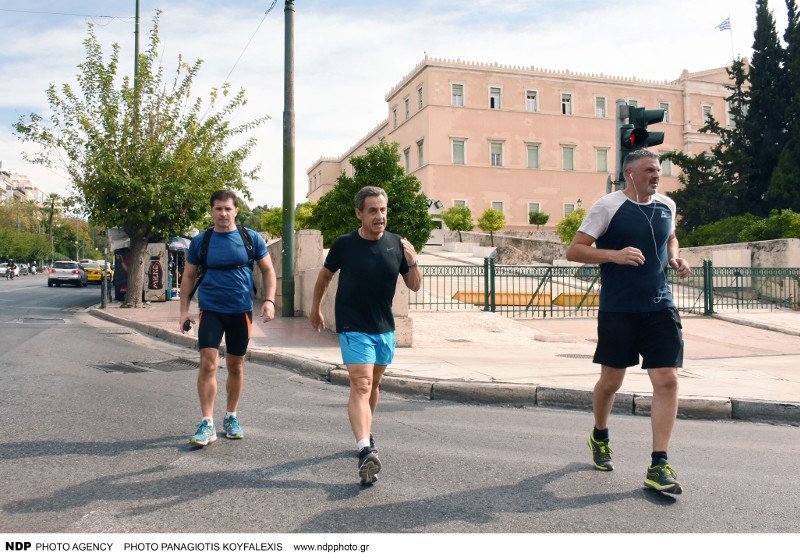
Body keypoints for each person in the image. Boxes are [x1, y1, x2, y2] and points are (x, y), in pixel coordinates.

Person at [566, 148, 691, 495]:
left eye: (658, 170)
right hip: (619, 309)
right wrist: (613, 255)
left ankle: (659, 463)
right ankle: (600, 435)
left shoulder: (667, 205)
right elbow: (574, 250)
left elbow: (670, 237)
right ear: (631, 173)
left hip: (660, 307)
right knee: (611, 381)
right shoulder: (607, 206)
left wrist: (675, 258)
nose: (656, 175)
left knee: (667, 380)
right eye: (650, 170)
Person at [310, 186, 422, 485]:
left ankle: (365, 433)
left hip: (383, 327)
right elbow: (324, 276)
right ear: (359, 213)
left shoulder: (397, 244)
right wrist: (315, 308)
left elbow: (414, 285)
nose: (379, 216)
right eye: (372, 210)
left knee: (375, 385)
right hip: (353, 324)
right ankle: (364, 450)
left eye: (383, 210)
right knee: (361, 383)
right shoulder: (345, 244)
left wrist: (411, 259)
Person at [179, 189, 277, 447]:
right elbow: (188, 277)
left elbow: (268, 271)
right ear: (212, 211)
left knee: (236, 365)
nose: (223, 213)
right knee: (208, 363)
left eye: (227, 209)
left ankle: (231, 417)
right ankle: (207, 422)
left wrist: (269, 301)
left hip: (240, 311)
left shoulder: (250, 238)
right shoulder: (202, 241)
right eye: (218, 209)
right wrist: (183, 311)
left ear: (236, 211)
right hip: (211, 310)